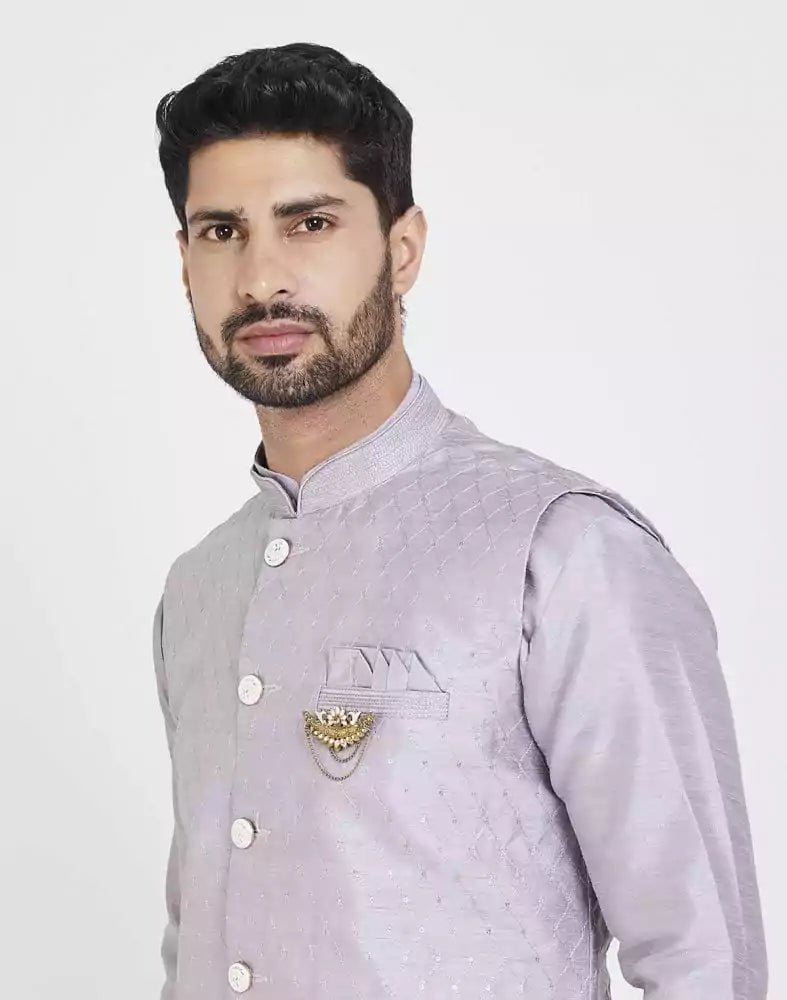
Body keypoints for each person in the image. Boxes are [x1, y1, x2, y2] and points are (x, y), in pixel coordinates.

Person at [151, 42, 767, 1000]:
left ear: (402, 250)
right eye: (221, 231)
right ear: (185, 264)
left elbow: (703, 963)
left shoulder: (560, 551)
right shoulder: (199, 589)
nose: (262, 277)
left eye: (309, 222)